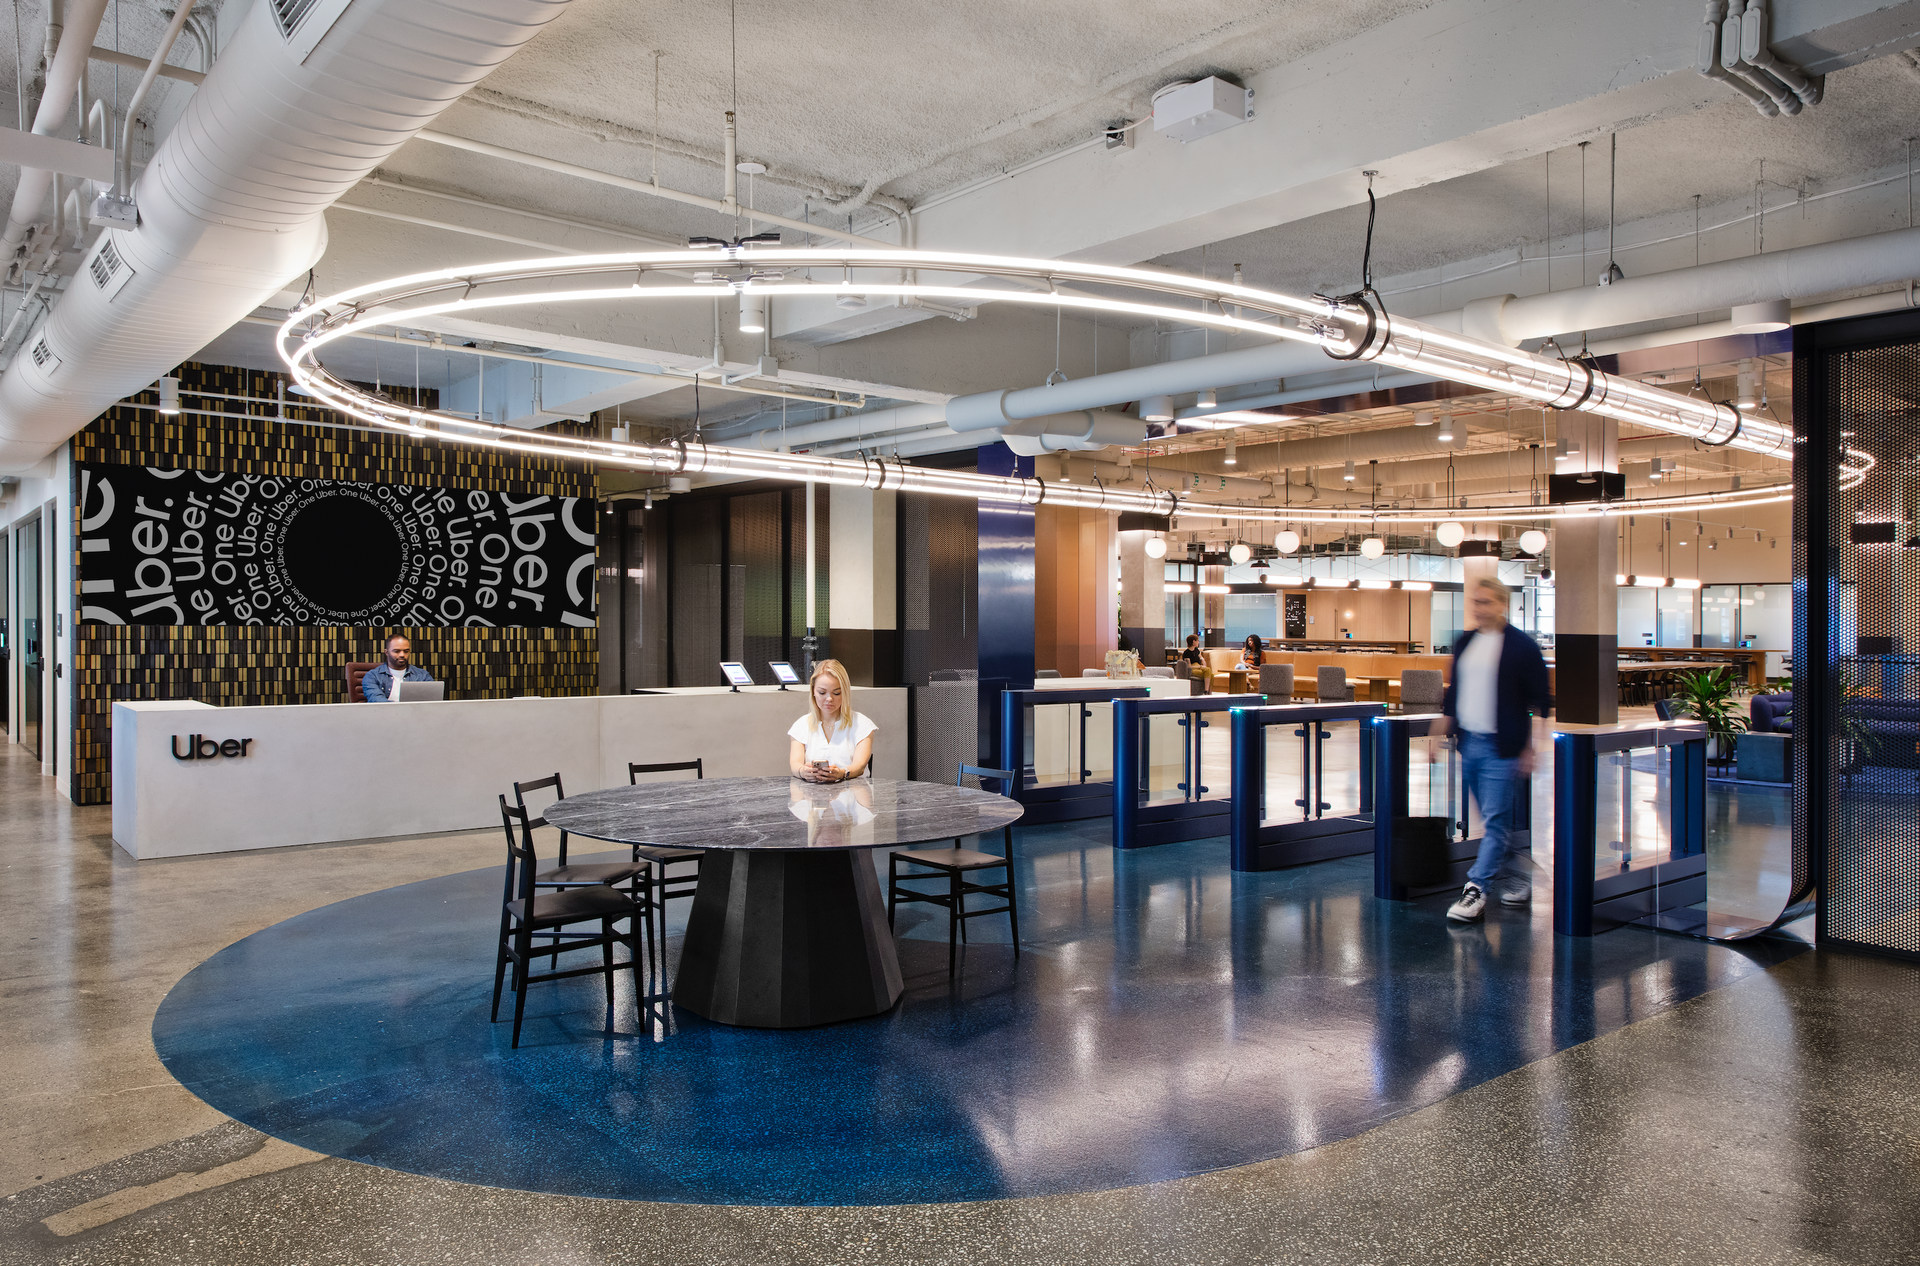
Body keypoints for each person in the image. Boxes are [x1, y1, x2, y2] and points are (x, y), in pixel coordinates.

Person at [1430, 577, 1552, 923]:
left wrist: (1532, 746)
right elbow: (1455, 691)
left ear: (1502, 604)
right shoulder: (1466, 641)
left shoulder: (1521, 647)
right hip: (1469, 742)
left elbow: (1540, 700)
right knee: (1492, 820)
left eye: (1485, 602)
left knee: (1496, 821)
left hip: (1503, 746)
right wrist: (1442, 727)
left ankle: (1477, 888)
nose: (1478, 609)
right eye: (1475, 602)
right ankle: (1518, 875)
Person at [788, 659, 877, 783]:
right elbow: (795, 764)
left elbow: (860, 766)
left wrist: (842, 773)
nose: (829, 698)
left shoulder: (862, 724)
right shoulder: (801, 726)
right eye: (822, 692)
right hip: (811, 796)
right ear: (813, 691)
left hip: (854, 796)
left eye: (836, 693)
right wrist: (803, 771)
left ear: (845, 693)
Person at [361, 634, 434, 702]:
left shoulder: (422, 675)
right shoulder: (372, 676)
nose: (402, 655)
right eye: (396, 651)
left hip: (414, 714)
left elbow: (433, 700)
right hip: (385, 714)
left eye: (406, 651)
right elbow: (378, 702)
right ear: (386, 652)